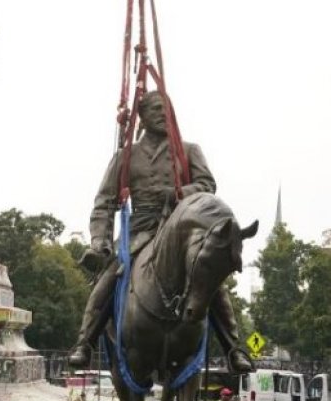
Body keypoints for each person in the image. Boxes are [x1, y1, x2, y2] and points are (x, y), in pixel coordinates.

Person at [67, 90, 253, 374]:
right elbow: (104, 203)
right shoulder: (125, 157)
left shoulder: (188, 150)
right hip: (140, 231)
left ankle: (234, 348)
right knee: (107, 280)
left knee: (211, 281)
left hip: (179, 230)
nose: (163, 115)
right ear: (142, 116)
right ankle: (85, 341)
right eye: (155, 109)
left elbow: (207, 185)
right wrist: (100, 242)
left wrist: (179, 193)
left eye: (167, 109)